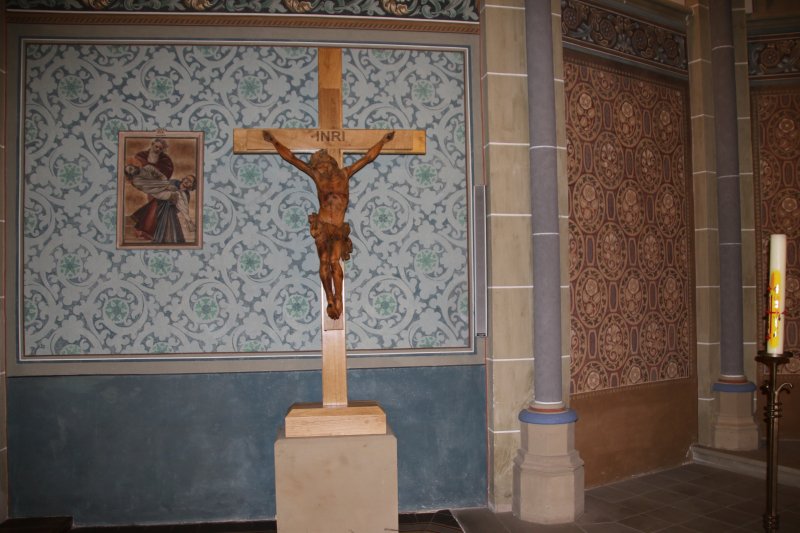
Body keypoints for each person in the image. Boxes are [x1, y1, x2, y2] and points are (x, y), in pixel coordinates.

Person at [262, 129, 395, 319]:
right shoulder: (317, 176)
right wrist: (274, 141)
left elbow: (367, 158)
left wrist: (383, 141)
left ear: (330, 162)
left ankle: (338, 298)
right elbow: (292, 158)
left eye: (322, 164)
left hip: (338, 228)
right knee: (324, 261)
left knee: (334, 261)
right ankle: (330, 299)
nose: (320, 168)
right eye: (318, 165)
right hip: (323, 226)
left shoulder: (345, 173)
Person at [125, 149, 196, 244]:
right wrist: (166, 186)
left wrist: (164, 182)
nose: (187, 181)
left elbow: (161, 177)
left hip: (169, 205)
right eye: (186, 179)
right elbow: (154, 187)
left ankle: (188, 221)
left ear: (191, 186)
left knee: (175, 203)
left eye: (189, 181)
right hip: (160, 197)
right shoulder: (137, 181)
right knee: (153, 212)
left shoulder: (148, 168)